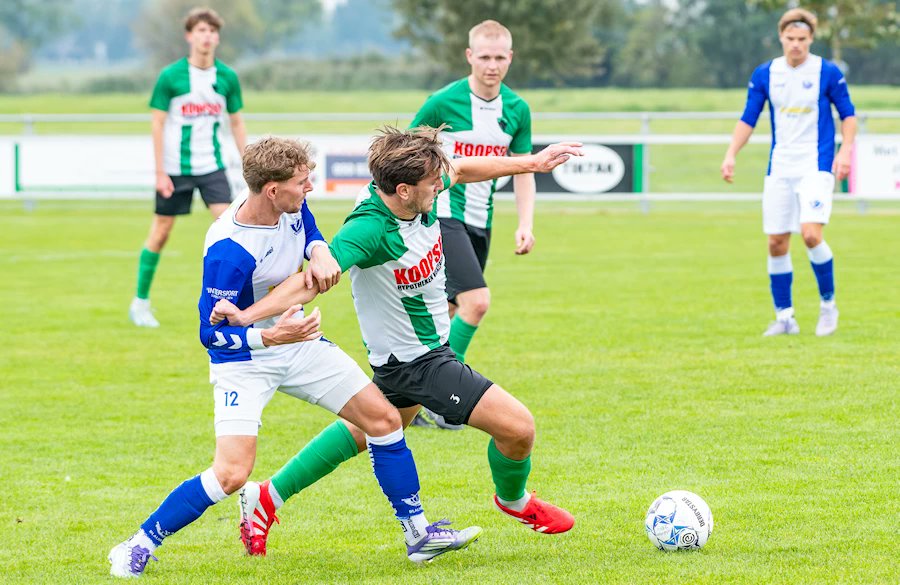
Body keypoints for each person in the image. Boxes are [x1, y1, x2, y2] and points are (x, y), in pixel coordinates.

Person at [108, 137, 481, 578]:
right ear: (271, 189)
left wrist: (319, 250)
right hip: (246, 361)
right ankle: (139, 542)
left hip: (300, 342)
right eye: (303, 182)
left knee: (383, 421)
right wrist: (270, 338)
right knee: (231, 473)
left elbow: (310, 232)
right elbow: (211, 335)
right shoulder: (229, 250)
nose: (310, 188)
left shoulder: (289, 205)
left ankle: (418, 535)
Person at [210, 127, 581, 556]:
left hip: (405, 357)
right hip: (419, 363)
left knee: (367, 429)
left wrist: (532, 163)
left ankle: (267, 496)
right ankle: (514, 500)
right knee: (519, 428)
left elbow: (463, 169)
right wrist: (247, 317)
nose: (442, 185)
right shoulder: (369, 230)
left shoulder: (423, 188)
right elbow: (309, 283)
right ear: (403, 190)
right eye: (433, 183)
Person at [408, 21, 534, 428]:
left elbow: (524, 169)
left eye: (500, 58)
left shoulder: (517, 110)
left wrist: (525, 223)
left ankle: (410, 400)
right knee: (476, 301)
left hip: (482, 222)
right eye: (484, 57)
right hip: (442, 216)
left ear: (510, 58)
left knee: (444, 312)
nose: (492, 65)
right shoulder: (442, 103)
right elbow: (403, 155)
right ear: (469, 57)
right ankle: (446, 402)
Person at [721, 7, 856, 337]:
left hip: (817, 164)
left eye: (803, 39)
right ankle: (785, 317)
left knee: (811, 234)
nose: (796, 45)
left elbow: (848, 115)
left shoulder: (827, 71)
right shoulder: (766, 73)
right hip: (780, 166)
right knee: (777, 243)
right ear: (781, 37)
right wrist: (730, 154)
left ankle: (828, 306)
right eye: (790, 38)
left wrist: (846, 151)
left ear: (811, 39)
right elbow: (749, 118)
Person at [129, 7, 247, 328]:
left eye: (212, 31)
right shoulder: (171, 77)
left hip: (212, 167)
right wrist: (159, 172)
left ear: (217, 37)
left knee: (231, 231)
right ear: (189, 36)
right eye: (200, 31)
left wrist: (249, 163)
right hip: (175, 169)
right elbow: (157, 124)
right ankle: (140, 302)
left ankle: (238, 304)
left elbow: (236, 123)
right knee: (161, 232)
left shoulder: (227, 77)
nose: (206, 37)